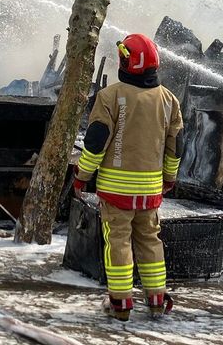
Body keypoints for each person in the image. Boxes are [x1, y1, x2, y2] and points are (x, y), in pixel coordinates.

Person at [73, 34, 184, 321]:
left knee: (118, 243)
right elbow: (176, 147)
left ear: (126, 61)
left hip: (116, 193)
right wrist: (169, 178)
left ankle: (121, 304)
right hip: (150, 193)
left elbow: (96, 144)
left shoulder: (110, 97)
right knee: (150, 240)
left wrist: (82, 176)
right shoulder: (169, 99)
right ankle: (157, 300)